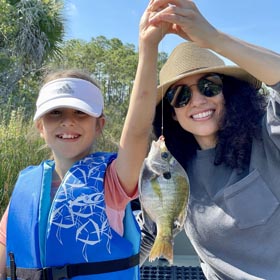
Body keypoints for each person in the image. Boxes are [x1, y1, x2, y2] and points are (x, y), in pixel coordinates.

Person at [138, 0, 280, 279]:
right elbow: (148, 237)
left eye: (209, 86)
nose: (198, 101)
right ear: (173, 114)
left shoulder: (268, 138)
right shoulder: (168, 171)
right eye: (180, 96)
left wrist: (214, 38)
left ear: (229, 92)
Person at [0, 66, 157, 278]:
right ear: (40, 127)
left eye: (80, 112)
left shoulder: (113, 181)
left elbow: (138, 131)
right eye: (55, 113)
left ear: (99, 125)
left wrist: (148, 46)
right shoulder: (27, 189)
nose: (67, 121)